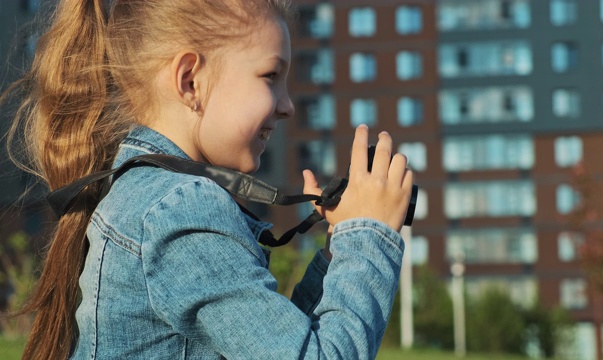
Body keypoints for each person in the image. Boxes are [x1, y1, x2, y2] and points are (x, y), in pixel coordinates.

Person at [6, 1, 413, 359]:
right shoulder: (180, 210)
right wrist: (369, 235)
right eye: (271, 75)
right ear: (190, 81)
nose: (288, 106)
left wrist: (334, 256)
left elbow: (277, 343)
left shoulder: (147, 193)